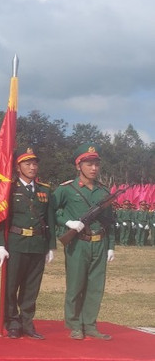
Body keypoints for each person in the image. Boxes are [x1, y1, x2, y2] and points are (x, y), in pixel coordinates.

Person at [49, 144, 115, 340]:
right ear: (78, 166)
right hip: (78, 243)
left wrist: (111, 245)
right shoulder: (66, 189)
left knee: (96, 286)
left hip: (99, 242)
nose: (93, 168)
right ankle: (75, 324)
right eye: (88, 164)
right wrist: (66, 222)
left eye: (96, 164)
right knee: (76, 285)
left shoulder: (103, 192)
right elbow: (50, 210)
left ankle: (90, 324)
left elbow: (109, 221)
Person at [0, 147, 55, 339]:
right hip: (16, 243)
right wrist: (0, 244)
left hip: (37, 244)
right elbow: (1, 218)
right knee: (11, 286)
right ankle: (12, 322)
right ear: (18, 167)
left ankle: (27, 323)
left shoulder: (45, 190)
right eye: (27, 163)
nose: (32, 167)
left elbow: (50, 219)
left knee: (31, 287)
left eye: (35, 163)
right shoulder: (9, 189)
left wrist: (51, 246)